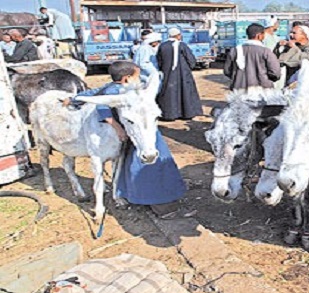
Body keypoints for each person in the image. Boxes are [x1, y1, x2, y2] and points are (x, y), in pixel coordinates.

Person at [64, 61, 194, 219]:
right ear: (126, 79)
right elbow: (101, 106)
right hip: (142, 137)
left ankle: (135, 196)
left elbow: (94, 94)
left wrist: (74, 99)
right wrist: (117, 127)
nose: (139, 80)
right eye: (137, 77)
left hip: (139, 134)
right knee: (154, 170)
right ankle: (164, 208)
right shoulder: (123, 94)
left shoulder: (113, 88)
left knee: (133, 168)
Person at [156, 27, 203, 121]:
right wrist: (190, 67)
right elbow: (191, 59)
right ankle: (187, 114)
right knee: (185, 93)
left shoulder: (162, 46)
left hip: (168, 75)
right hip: (183, 74)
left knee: (169, 94)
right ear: (178, 35)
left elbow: (159, 61)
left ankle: (170, 115)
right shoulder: (182, 45)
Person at [224, 23, 281, 91]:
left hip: (239, 91)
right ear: (259, 36)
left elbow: (227, 71)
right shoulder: (266, 52)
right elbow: (276, 73)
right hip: (263, 91)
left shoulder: (235, 51)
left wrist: (238, 78)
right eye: (263, 35)